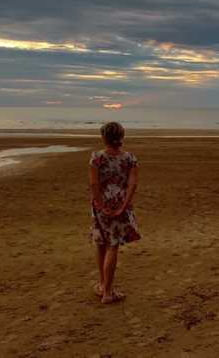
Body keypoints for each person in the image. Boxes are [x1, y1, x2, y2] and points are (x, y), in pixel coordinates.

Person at [89, 121, 140, 304]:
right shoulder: (129, 158)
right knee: (111, 245)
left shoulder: (97, 158)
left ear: (104, 138)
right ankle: (107, 290)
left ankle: (105, 287)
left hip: (101, 202)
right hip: (119, 201)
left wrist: (100, 204)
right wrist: (124, 205)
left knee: (103, 243)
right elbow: (132, 184)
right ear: (121, 136)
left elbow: (94, 184)